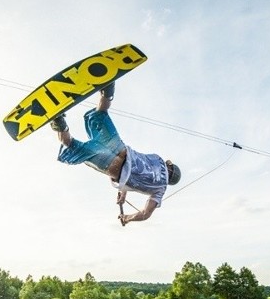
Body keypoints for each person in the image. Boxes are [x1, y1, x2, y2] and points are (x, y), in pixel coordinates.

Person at [49, 82, 181, 225]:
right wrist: (127, 218)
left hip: (121, 149)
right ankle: (59, 122)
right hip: (112, 167)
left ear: (170, 166)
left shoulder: (158, 159)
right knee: (73, 147)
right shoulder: (160, 190)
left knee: (100, 115)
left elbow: (137, 168)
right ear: (170, 181)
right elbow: (145, 214)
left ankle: (107, 88)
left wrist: (124, 191)